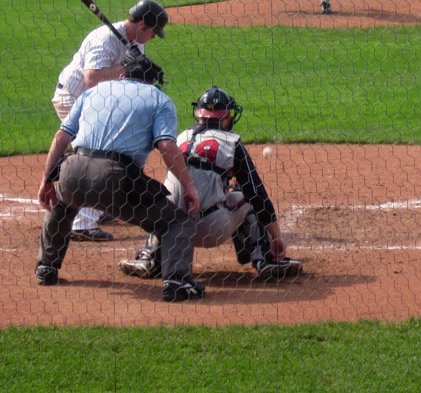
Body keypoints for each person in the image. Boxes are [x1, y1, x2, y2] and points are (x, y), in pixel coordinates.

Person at [34, 53, 206, 302]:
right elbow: (167, 146)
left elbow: (61, 137)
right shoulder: (159, 99)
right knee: (176, 221)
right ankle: (176, 282)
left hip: (72, 170)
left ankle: (46, 268)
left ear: (123, 74)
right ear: (152, 81)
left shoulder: (93, 92)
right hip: (115, 178)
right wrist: (188, 186)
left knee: (60, 203)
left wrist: (46, 180)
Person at [118, 86, 303, 282]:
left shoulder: (180, 138)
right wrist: (276, 237)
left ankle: (151, 257)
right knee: (245, 196)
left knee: (165, 200)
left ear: (199, 115)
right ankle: (266, 259)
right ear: (225, 118)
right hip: (210, 229)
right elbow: (257, 195)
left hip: (172, 230)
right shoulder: (231, 143)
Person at [51, 0, 169, 242]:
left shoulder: (135, 41)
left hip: (97, 102)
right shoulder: (104, 39)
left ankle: (100, 204)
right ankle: (82, 224)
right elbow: (91, 79)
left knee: (103, 153)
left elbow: (127, 81)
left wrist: (141, 71)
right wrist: (125, 67)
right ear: (142, 26)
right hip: (74, 98)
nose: (154, 37)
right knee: (94, 154)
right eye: (153, 32)